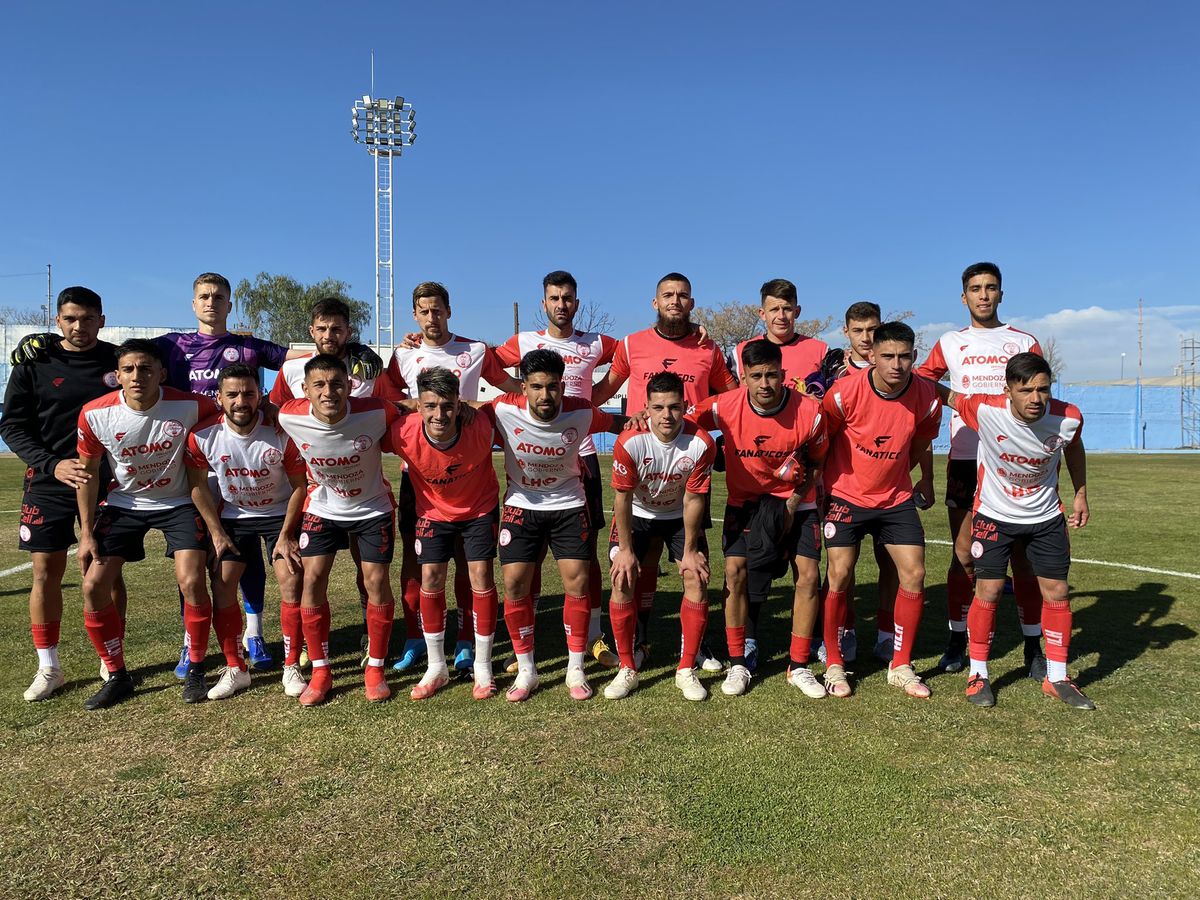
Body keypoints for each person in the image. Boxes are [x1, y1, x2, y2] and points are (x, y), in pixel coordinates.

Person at [15, 273, 382, 674]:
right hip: (194, 462)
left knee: (244, 555)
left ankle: (255, 633)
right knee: (208, 564)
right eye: (204, 296)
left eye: (218, 297)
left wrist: (354, 349)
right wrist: (49, 342)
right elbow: (123, 354)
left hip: (241, 455)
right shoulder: (170, 345)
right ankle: (191, 645)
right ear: (193, 304)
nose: (211, 302)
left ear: (229, 304)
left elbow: (305, 354)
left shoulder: (248, 346)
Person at [592, 272, 736, 670]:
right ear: (654, 302)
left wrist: (697, 418)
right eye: (668, 295)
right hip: (644, 464)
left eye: (683, 295)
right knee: (640, 563)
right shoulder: (632, 344)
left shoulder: (708, 348)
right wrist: (564, 413)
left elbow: (732, 397)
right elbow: (603, 391)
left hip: (686, 464)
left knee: (694, 564)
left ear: (692, 303)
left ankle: (697, 646)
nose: (675, 300)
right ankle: (634, 641)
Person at [379, 281, 520, 675]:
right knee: (418, 562)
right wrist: (417, 405)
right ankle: (415, 638)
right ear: (414, 315)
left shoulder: (475, 350)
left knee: (468, 562)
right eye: (424, 311)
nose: (431, 317)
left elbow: (511, 391)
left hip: (468, 470)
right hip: (420, 475)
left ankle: (464, 641)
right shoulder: (404, 354)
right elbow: (386, 400)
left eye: (437, 310)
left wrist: (471, 406)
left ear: (449, 311)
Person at [939, 353, 1094, 709]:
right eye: (1026, 390)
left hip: (1045, 517)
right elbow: (945, 394)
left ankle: (1057, 677)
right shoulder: (984, 409)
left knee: (1057, 590)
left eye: (1043, 389)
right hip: (993, 515)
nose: (1036, 398)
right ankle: (978, 674)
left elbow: (1074, 447)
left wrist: (1081, 493)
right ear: (1008, 391)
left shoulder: (1068, 417)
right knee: (989, 589)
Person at [916, 262, 1046, 678]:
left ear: (1001, 294)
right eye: (976, 288)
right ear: (964, 297)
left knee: (1023, 560)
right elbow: (922, 380)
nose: (984, 295)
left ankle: (1033, 646)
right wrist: (956, 400)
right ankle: (957, 640)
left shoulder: (1024, 341)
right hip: (966, 457)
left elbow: (1038, 391)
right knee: (964, 554)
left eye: (991, 287)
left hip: (1014, 461)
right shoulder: (951, 342)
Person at [74, 339, 219, 709]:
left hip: (179, 502)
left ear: (162, 373)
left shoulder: (192, 405)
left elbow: (233, 416)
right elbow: (88, 475)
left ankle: (197, 668)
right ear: (117, 375)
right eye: (128, 369)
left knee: (191, 580)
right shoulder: (95, 414)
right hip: (123, 505)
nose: (137, 375)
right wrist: (86, 534)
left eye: (146, 368)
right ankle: (116, 674)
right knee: (93, 586)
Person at [0, 287, 125, 701]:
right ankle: (48, 667)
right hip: (49, 482)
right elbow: (12, 425)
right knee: (44, 572)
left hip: (105, 483)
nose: (79, 327)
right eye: (70, 319)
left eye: (88, 319)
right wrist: (51, 463)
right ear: (57, 321)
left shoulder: (118, 362)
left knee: (106, 571)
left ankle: (112, 659)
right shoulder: (34, 362)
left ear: (101, 321)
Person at [493, 270, 622, 668]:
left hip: (581, 452)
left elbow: (631, 355)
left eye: (567, 298)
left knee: (586, 555)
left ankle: (594, 636)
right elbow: (486, 363)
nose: (561, 304)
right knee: (526, 558)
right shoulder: (524, 342)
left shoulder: (594, 342)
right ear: (544, 303)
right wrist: (518, 396)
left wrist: (599, 395)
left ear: (576, 303)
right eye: (554, 298)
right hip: (535, 452)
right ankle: (525, 644)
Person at [690, 339, 829, 698]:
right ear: (744, 378)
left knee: (808, 576)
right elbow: (680, 419)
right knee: (734, 573)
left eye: (772, 375)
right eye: (756, 376)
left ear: (783, 374)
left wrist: (793, 503)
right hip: (745, 503)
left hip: (797, 503)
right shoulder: (723, 405)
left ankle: (798, 665)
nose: (765, 384)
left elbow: (817, 462)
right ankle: (738, 662)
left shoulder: (810, 411)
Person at [492, 349, 630, 702]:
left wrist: (644, 419)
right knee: (515, 584)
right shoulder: (502, 409)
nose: (545, 395)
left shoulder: (582, 412)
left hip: (569, 506)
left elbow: (619, 424)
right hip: (521, 505)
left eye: (552, 387)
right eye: (537, 387)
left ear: (562, 387)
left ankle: (575, 668)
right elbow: (461, 412)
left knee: (578, 583)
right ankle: (526, 670)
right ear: (524, 387)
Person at [820, 321, 942, 699]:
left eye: (904, 356)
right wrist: (821, 488)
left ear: (914, 357)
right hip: (845, 496)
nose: (896, 364)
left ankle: (900, 665)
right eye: (887, 356)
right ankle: (834, 663)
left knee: (914, 573)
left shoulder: (928, 398)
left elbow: (920, 443)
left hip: (895, 499)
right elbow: (823, 439)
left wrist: (913, 478)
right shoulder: (844, 393)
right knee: (839, 574)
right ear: (871, 355)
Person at [276, 354, 400, 706]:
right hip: (322, 508)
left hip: (372, 508)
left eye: (336, 384)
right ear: (305, 390)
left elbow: (408, 409)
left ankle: (375, 668)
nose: (328, 392)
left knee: (376, 582)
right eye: (319, 385)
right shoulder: (288, 415)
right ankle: (321, 670)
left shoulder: (377, 411)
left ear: (349, 386)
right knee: (312, 581)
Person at [270, 296, 383, 665]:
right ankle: (310, 645)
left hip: (365, 486)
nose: (329, 335)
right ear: (311, 330)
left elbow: (389, 408)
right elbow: (275, 412)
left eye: (337, 329)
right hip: (318, 490)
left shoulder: (367, 368)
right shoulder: (293, 370)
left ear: (348, 331)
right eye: (322, 328)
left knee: (367, 571)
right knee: (312, 574)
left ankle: (370, 633)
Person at [185, 363, 308, 700]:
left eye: (249, 394)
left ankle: (291, 666)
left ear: (260, 395)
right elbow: (197, 487)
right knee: (222, 584)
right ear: (219, 397)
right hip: (234, 517)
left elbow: (300, 486)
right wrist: (216, 533)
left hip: (279, 514)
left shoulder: (280, 431)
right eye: (233, 394)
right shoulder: (202, 435)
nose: (241, 401)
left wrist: (287, 534)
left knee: (292, 580)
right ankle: (236, 668)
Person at [384, 367, 502, 700]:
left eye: (448, 406)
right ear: (419, 406)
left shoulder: (481, 426)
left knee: (480, 576)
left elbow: (510, 407)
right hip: (432, 514)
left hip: (479, 509)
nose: (440, 415)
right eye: (430, 406)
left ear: (459, 404)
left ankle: (482, 666)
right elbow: (362, 422)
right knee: (431, 578)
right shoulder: (402, 432)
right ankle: (436, 667)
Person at [603, 371, 717, 701]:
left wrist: (691, 549)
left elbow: (694, 499)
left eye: (674, 407)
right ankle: (627, 667)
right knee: (622, 578)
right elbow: (622, 498)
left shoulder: (701, 443)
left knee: (696, 576)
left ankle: (686, 669)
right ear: (647, 408)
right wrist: (625, 550)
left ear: (685, 405)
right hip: (637, 515)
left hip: (679, 516)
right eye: (658, 407)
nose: (667, 415)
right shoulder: (630, 441)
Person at [805, 301, 900, 663]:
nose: (866, 337)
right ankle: (844, 632)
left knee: (890, 562)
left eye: (872, 329)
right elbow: (813, 407)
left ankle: (887, 634)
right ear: (846, 332)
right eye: (858, 330)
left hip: (889, 486)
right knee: (842, 566)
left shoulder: (895, 367)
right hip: (842, 485)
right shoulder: (832, 370)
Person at [733, 278, 828, 389]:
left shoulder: (821, 352)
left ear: (797, 312)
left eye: (787, 309)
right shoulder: (739, 353)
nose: (781, 316)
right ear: (762, 314)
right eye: (774, 309)